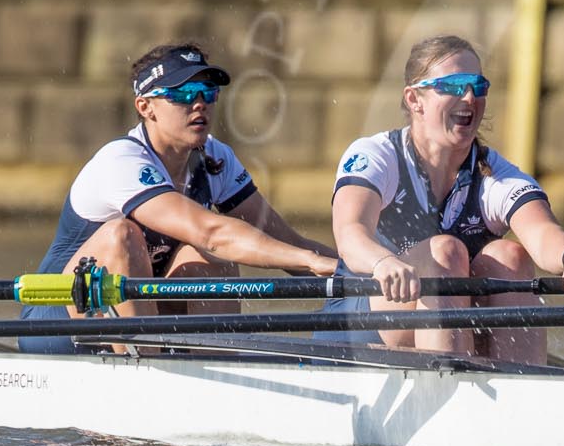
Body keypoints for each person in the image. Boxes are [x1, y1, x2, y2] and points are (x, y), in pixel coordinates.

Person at [19, 43, 338, 349]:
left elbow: (285, 240)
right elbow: (213, 234)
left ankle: (212, 367)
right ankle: (148, 369)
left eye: (208, 92)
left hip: (146, 314)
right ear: (145, 107)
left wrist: (364, 270)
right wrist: (309, 261)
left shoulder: (215, 158)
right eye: (183, 94)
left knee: (210, 260)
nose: (199, 103)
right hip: (57, 323)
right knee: (123, 234)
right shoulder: (120, 160)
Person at [326, 34, 564, 361]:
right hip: (359, 322)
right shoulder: (377, 156)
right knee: (446, 251)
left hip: (446, 326)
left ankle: (520, 388)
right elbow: (350, 233)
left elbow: (541, 232)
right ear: (415, 100)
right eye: (455, 86)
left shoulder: (494, 173)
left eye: (478, 86)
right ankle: (449, 386)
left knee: (510, 257)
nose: (470, 97)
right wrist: (383, 262)